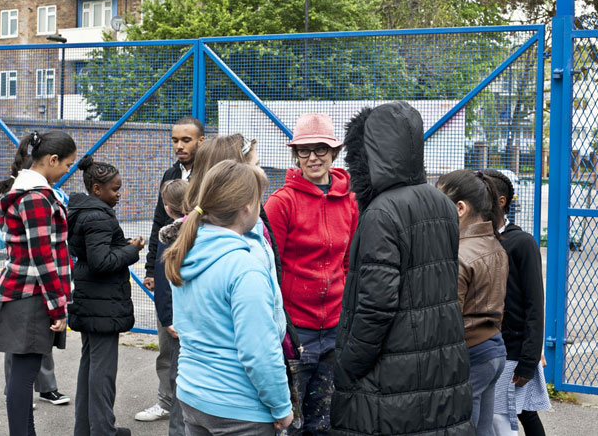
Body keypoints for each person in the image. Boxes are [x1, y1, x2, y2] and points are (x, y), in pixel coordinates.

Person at [332, 101, 473, 436]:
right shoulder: (440, 201)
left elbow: (377, 305)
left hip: (390, 375)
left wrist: (348, 366)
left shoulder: (382, 212)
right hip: (439, 364)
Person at [164, 160, 293, 434]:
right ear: (247, 207)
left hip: (192, 394)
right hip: (239, 409)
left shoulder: (184, 253)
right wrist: (282, 407)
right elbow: (259, 352)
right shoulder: (244, 268)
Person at [264, 113, 358, 435]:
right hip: (295, 331)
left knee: (325, 420)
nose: (313, 157)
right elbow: (269, 265)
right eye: (304, 150)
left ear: (334, 152)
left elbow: (348, 261)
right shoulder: (281, 203)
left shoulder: (350, 202)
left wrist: (344, 305)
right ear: (295, 154)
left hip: (334, 327)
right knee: (290, 421)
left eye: (321, 149)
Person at [0, 130, 77, 436]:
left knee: (22, 373)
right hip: (31, 297)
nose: (69, 170)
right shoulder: (36, 198)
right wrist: (59, 307)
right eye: (67, 164)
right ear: (52, 160)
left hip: (23, 294)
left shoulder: (25, 192)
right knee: (23, 376)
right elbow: (43, 258)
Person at [67, 156, 146, 436]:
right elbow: (101, 262)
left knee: (90, 367)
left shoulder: (83, 211)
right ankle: (103, 430)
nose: (119, 194)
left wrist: (121, 246)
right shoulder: (98, 215)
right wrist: (132, 249)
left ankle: (86, 429)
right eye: (115, 189)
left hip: (91, 299)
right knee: (103, 373)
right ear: (97, 189)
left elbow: (93, 253)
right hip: (102, 303)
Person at [0, 181, 71, 408]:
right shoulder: (15, 203)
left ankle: (47, 389)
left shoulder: (47, 197)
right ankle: (16, 393)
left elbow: (49, 243)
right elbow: (6, 238)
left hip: (42, 286)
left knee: (42, 342)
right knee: (15, 345)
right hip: (18, 287)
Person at [137, 116, 205, 423]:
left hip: (199, 273)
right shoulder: (170, 173)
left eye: (186, 140)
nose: (179, 145)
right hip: (169, 272)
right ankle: (165, 400)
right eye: (175, 140)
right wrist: (152, 267)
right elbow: (158, 223)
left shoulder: (210, 175)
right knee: (167, 342)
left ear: (200, 141)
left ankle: (196, 408)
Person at [437, 169, 509, 436]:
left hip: (470, 354)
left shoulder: (459, 254)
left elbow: (449, 319)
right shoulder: (495, 245)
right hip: (493, 349)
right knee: (483, 428)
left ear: (459, 208)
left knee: (462, 428)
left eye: (438, 200)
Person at [482, 170, 551, 436]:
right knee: (510, 412)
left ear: (501, 202)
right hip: (484, 345)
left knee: (510, 414)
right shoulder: (476, 238)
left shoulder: (522, 243)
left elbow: (535, 304)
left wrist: (529, 359)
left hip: (512, 350)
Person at [153, 178, 189, 436]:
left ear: (167, 208)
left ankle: (178, 429)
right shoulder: (200, 228)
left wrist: (167, 319)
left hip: (178, 319)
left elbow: (164, 283)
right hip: (194, 317)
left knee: (178, 375)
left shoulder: (169, 235)